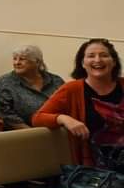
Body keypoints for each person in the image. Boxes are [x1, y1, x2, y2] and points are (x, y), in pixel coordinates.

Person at [33, 38, 124, 169]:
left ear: (114, 62)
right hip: (93, 170)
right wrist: (64, 119)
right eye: (91, 56)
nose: (97, 60)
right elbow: (38, 118)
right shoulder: (72, 89)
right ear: (82, 63)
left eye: (104, 55)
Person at [0, 44, 65, 129]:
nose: (17, 63)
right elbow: (5, 114)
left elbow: (67, 106)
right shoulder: (4, 82)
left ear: (37, 62)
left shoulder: (56, 81)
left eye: (22, 59)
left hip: (56, 131)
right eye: (15, 59)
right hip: (21, 135)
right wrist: (32, 134)